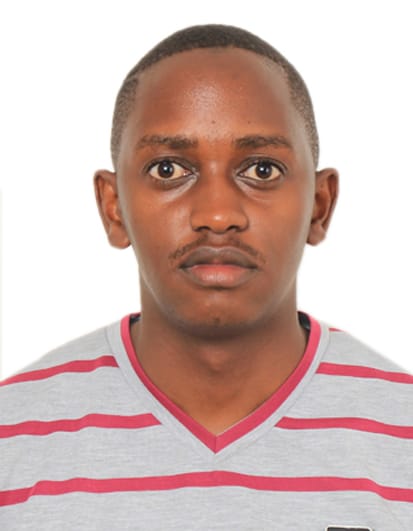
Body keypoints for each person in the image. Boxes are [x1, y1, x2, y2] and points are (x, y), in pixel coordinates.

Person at [0, 24, 412, 530]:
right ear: (113, 208)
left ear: (319, 205)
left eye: (261, 170)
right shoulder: (11, 440)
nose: (217, 215)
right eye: (168, 170)